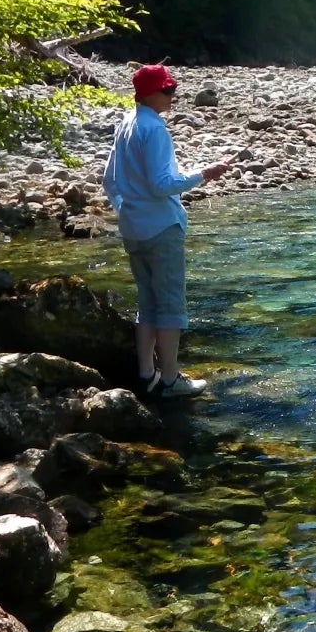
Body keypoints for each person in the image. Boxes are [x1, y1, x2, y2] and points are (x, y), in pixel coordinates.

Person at [101, 64, 231, 397]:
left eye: (172, 89)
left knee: (147, 303)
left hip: (133, 229)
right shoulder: (154, 129)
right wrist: (204, 174)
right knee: (171, 305)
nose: (172, 96)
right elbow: (162, 185)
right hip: (161, 228)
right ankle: (171, 380)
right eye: (168, 90)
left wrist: (126, 209)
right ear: (149, 94)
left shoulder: (126, 125)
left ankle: (147, 375)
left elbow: (109, 180)